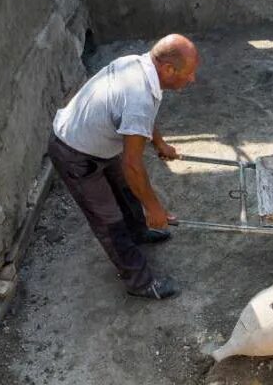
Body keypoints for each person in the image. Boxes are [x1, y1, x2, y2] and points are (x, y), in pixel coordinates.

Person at [47, 34, 199, 300]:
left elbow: (140, 115)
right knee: (109, 221)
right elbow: (133, 165)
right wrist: (155, 208)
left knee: (126, 191)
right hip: (75, 154)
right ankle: (140, 283)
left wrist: (159, 142)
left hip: (95, 141)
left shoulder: (138, 65)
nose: (192, 79)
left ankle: (139, 231)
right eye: (189, 73)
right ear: (168, 69)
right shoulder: (140, 96)